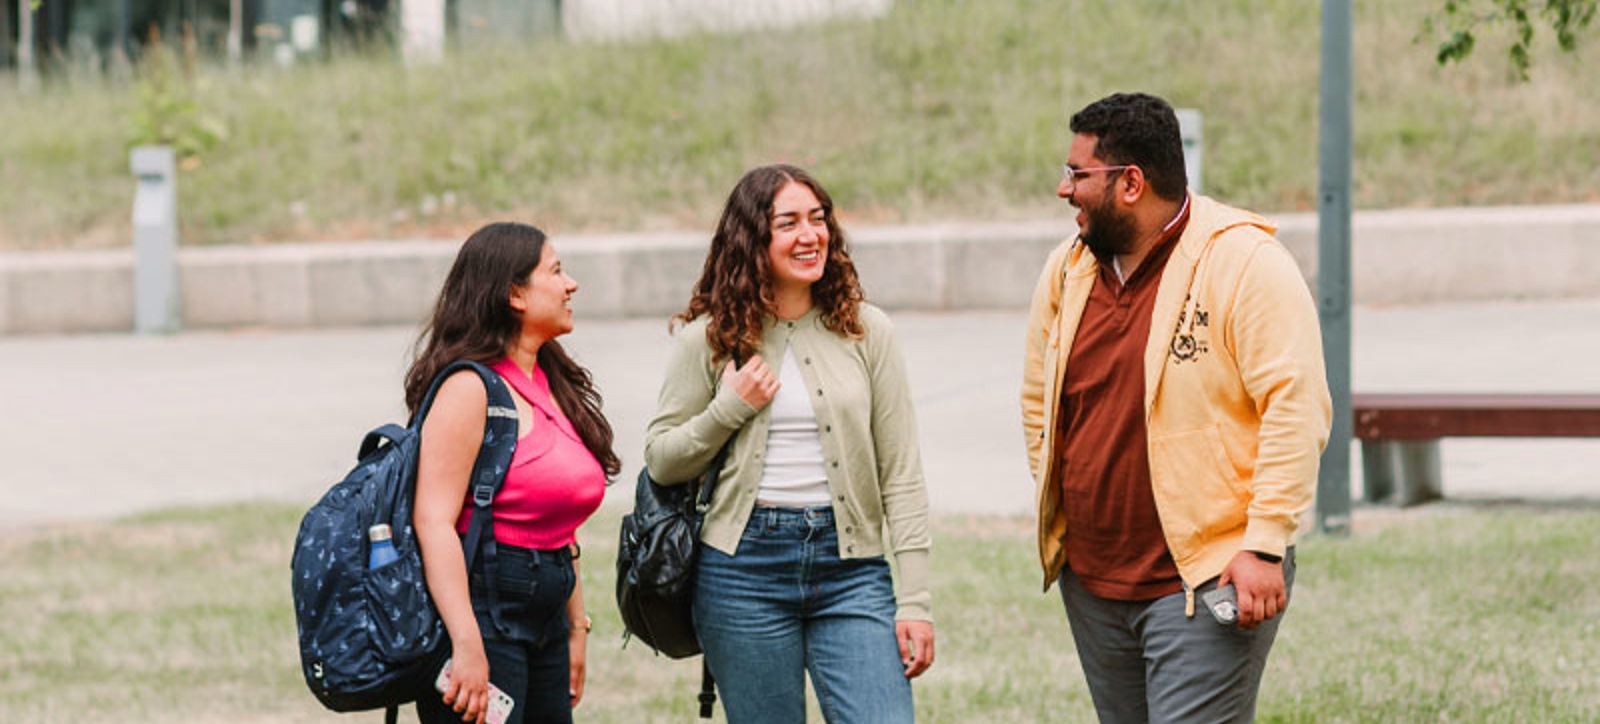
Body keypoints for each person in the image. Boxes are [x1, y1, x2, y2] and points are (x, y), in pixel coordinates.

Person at [1019, 92, 1333, 723]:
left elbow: (1295, 408)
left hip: (1208, 577)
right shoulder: (1067, 270)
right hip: (1096, 583)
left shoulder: (1245, 263)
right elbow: (1039, 403)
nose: (1063, 188)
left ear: (1131, 182)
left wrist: (1265, 545)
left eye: (1078, 174)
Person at [644, 164, 935, 723]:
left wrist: (916, 602)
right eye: (789, 223)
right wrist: (730, 407)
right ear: (753, 239)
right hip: (741, 570)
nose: (811, 235)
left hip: (852, 569)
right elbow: (661, 459)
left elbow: (902, 473)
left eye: (818, 219)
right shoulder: (707, 337)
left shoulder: (867, 331)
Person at [408, 222, 620, 724]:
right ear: (515, 294)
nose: (571, 285)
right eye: (557, 271)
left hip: (544, 610)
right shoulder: (469, 387)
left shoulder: (550, 382)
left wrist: (575, 628)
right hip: (483, 611)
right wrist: (466, 643)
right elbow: (432, 520)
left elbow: (556, 525)